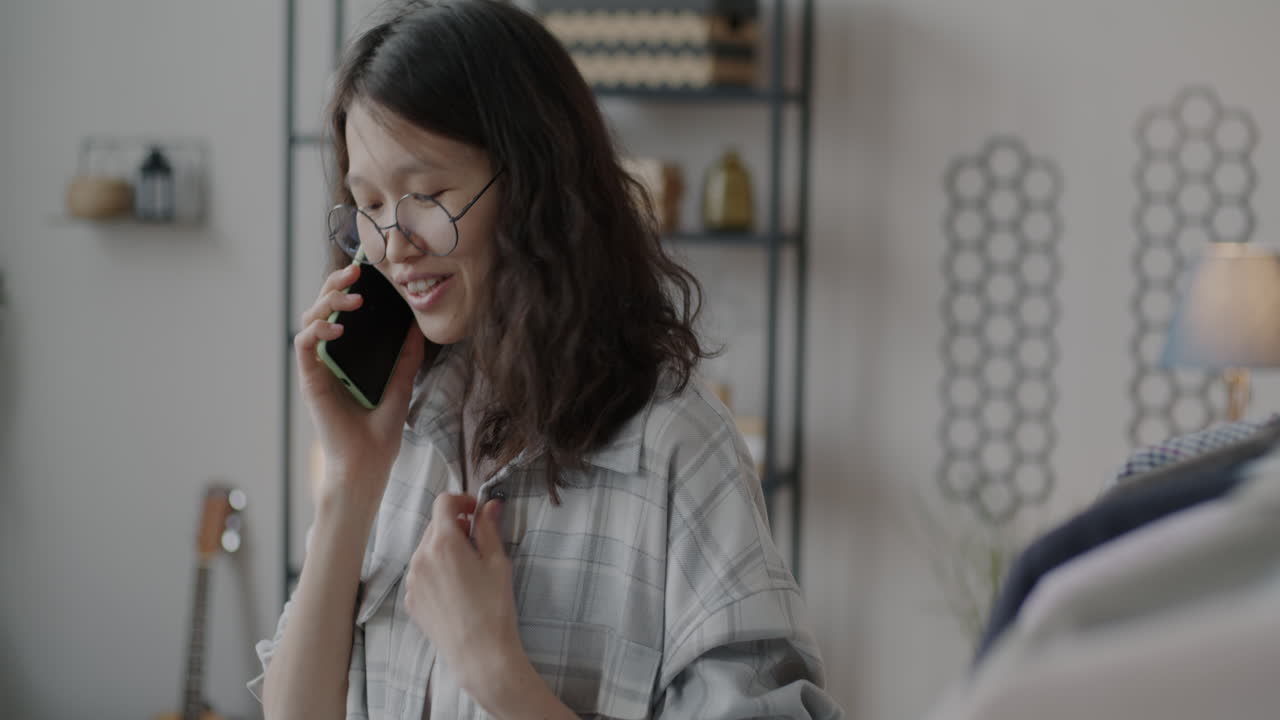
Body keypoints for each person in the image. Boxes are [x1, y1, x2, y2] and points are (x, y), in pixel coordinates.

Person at [249, 1, 839, 718]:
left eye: (427, 194)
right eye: (367, 204)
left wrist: (497, 673)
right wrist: (349, 482)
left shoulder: (673, 448)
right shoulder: (394, 440)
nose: (391, 244)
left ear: (534, 186)